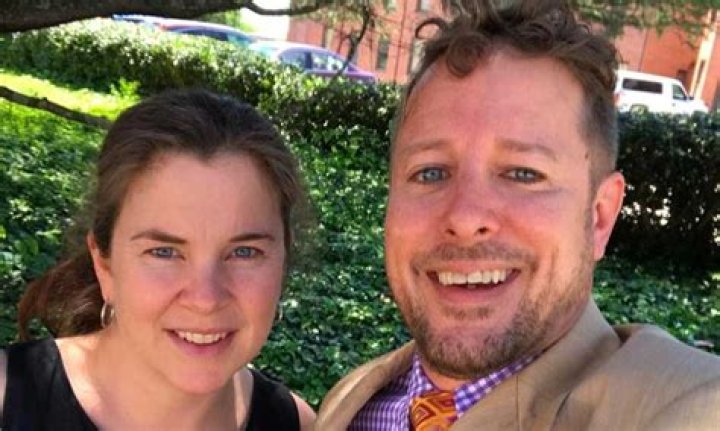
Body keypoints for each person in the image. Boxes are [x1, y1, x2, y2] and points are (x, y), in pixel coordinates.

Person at [315, 1, 720, 430]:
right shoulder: (351, 402)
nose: (465, 218)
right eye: (430, 172)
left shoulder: (690, 406)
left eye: (523, 173)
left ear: (599, 216)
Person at [0, 89, 316, 430]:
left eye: (244, 252)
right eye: (164, 252)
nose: (205, 299)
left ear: (283, 262)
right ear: (104, 264)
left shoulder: (297, 425)